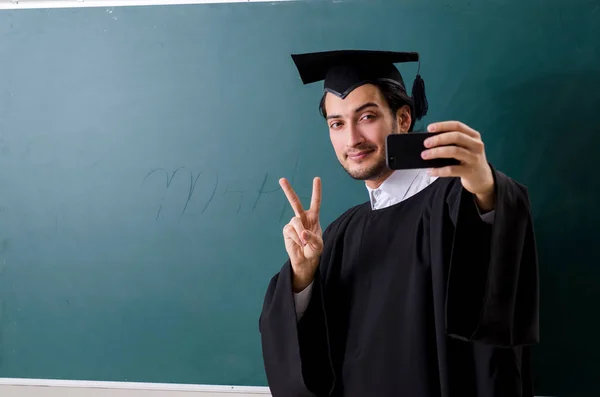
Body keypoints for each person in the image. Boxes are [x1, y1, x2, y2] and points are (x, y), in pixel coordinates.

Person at [258, 50, 539, 397]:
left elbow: (497, 267)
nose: (352, 139)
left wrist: (485, 187)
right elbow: (309, 354)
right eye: (337, 123)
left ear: (403, 119)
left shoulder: (454, 202)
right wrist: (302, 277)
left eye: (367, 117)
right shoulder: (340, 233)